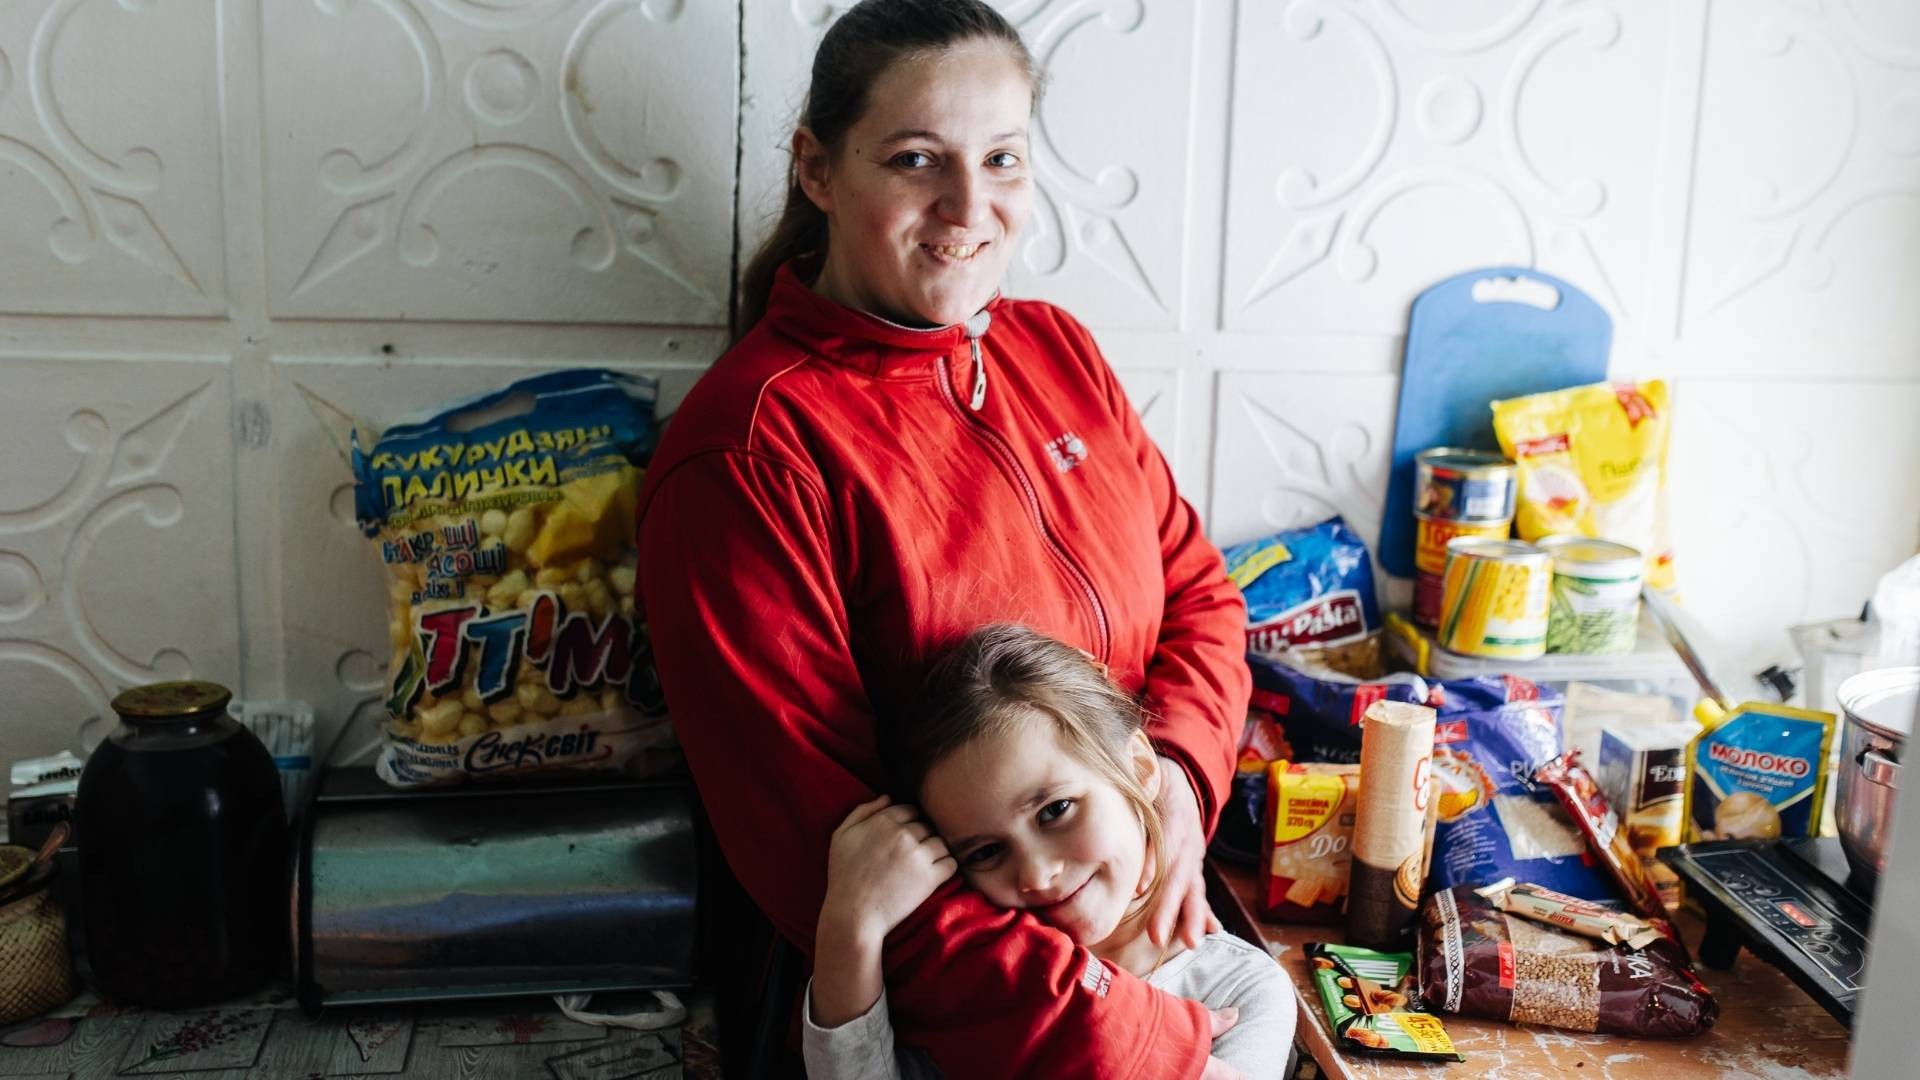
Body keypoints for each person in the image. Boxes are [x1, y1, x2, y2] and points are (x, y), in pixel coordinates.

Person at [635, 0, 1253, 1073]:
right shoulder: (744, 456)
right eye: (918, 160)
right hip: (952, 1033)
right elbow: (826, 856)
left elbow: (1201, 596)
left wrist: (1180, 797)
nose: (971, 208)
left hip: (1144, 947)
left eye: (1004, 159)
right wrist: (1120, 1033)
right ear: (817, 170)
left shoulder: (1055, 351)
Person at [803, 624, 1295, 1078]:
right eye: (986, 852)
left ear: (1142, 769)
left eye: (1055, 810)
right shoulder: (975, 985)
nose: (1036, 875)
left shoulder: (1244, 988)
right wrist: (851, 929)